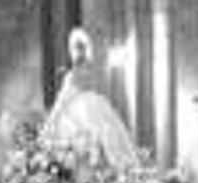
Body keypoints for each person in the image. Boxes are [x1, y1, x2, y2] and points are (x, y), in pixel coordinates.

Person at [39, 27, 141, 170]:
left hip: (84, 110)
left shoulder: (79, 74)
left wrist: (51, 123)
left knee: (96, 142)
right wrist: (51, 123)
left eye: (81, 48)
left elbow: (64, 98)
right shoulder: (80, 72)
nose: (79, 52)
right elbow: (63, 98)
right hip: (78, 112)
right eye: (77, 48)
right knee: (81, 144)